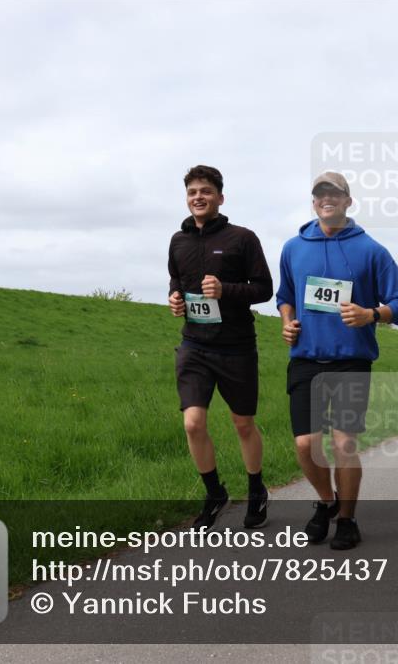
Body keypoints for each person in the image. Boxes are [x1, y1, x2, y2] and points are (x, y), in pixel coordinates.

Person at [276, 171, 398, 550]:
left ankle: (347, 519)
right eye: (320, 194)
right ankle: (327, 501)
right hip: (305, 359)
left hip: (350, 361)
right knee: (306, 445)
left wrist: (372, 314)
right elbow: (284, 295)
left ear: (347, 201)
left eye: (335, 194)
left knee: (343, 444)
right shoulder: (293, 247)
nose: (327, 200)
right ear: (313, 202)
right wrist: (287, 321)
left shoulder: (371, 250)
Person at [168, 165, 274, 530]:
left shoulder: (242, 238)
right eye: (193, 191)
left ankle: (257, 489)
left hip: (236, 346)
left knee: (243, 423)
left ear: (220, 198)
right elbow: (175, 280)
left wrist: (226, 289)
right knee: (193, 422)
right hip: (194, 344)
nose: (199, 197)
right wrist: (175, 298)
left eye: (206, 191)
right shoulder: (177, 241)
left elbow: (263, 289)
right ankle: (214, 493)